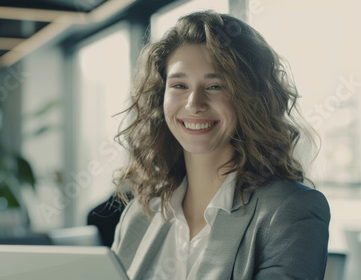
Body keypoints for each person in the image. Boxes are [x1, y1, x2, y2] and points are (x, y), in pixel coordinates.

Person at [111, 11, 330, 280]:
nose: (194, 103)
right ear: (161, 98)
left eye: (215, 86)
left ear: (250, 98)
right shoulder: (138, 216)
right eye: (179, 84)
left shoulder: (291, 210)